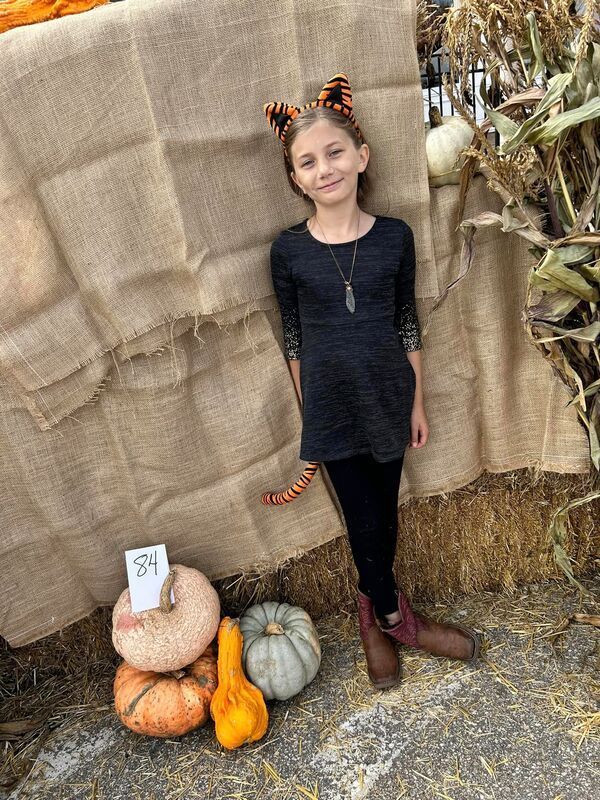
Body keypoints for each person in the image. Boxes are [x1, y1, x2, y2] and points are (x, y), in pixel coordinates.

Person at [263, 73, 481, 689]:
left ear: (362, 157)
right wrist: (310, 409)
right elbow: (295, 338)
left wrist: (417, 400)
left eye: (334, 152)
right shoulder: (288, 252)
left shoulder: (394, 238)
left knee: (383, 515)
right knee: (361, 520)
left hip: (388, 397)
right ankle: (393, 619)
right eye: (307, 162)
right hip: (331, 409)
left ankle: (372, 613)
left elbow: (407, 321)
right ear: (296, 179)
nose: (324, 169)